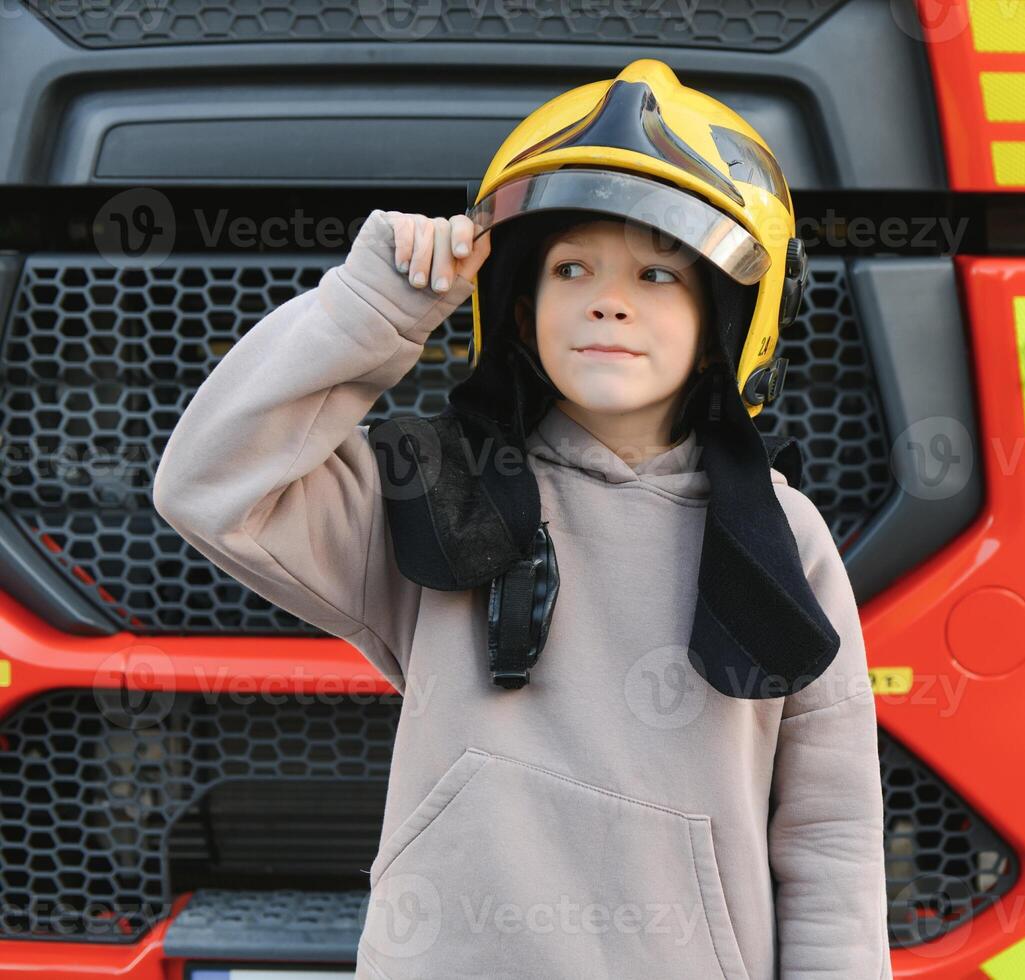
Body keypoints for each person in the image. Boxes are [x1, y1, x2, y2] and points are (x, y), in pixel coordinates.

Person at [152, 58, 891, 980]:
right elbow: (208, 486)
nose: (608, 298)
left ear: (726, 321)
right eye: (570, 266)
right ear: (519, 305)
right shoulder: (436, 487)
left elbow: (830, 836)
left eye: (659, 273)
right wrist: (376, 306)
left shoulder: (784, 536)